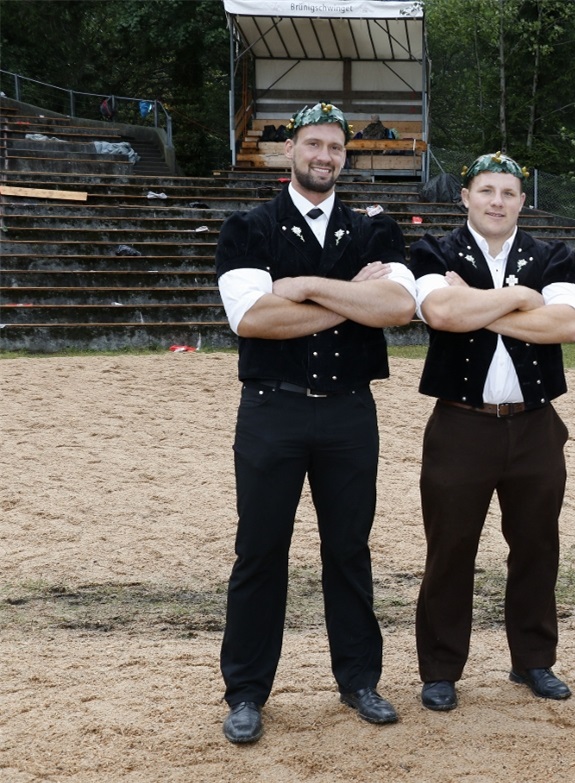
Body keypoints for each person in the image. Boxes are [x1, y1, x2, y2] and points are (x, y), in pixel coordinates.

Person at [214, 101, 418, 743]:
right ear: (289, 151)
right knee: (260, 551)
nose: (323, 156)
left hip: (350, 414)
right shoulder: (248, 226)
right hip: (272, 410)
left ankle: (359, 680)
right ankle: (246, 692)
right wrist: (347, 293)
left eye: (335, 146)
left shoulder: (376, 230)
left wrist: (299, 285)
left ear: (345, 156)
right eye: (312, 145)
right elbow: (253, 320)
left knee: (349, 551)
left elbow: (398, 308)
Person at [407, 151, 575, 712]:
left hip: (534, 425)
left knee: (536, 546)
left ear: (521, 201)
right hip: (460, 424)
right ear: (465, 196)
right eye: (486, 191)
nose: (497, 202)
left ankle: (533, 660)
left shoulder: (551, 254)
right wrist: (518, 298)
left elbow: (568, 325)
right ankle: (440, 669)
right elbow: (440, 314)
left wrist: (475, 305)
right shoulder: (433, 250)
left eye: (508, 193)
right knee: (451, 548)